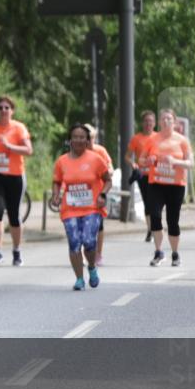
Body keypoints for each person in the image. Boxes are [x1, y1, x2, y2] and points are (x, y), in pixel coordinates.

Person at [51, 124, 112, 291]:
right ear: (70, 140)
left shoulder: (95, 159)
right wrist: (56, 195)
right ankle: (79, 278)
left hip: (91, 208)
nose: (78, 140)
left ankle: (91, 266)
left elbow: (108, 180)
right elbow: (56, 182)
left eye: (82, 137)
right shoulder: (62, 161)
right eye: (75, 137)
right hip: (70, 209)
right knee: (74, 243)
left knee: (89, 241)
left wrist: (102, 194)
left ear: (87, 140)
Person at [0, 96, 33, 266]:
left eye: (6, 108)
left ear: (12, 111)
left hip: (14, 176)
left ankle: (16, 251)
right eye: (0, 107)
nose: (3, 110)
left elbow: (28, 150)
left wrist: (9, 146)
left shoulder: (19, 128)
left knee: (14, 216)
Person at [140, 108, 193, 267]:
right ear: (159, 122)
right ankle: (158, 252)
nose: (166, 121)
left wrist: (175, 162)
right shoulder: (152, 139)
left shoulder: (182, 141)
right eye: (163, 119)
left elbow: (191, 163)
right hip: (156, 183)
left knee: (172, 221)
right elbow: (141, 160)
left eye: (169, 119)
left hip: (175, 185)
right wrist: (148, 161)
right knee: (155, 215)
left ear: (174, 122)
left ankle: (175, 253)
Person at [126, 110, 157, 242]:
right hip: (143, 175)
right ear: (142, 123)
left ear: (154, 123)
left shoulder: (158, 137)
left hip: (157, 175)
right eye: (146, 121)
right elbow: (127, 156)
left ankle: (156, 227)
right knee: (148, 202)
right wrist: (133, 164)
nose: (148, 124)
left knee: (157, 202)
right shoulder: (136, 138)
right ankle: (150, 229)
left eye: (150, 121)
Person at [84, 124, 113, 265]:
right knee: (83, 223)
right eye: (85, 138)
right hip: (82, 192)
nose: (88, 141)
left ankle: (98, 254)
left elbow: (110, 168)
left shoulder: (100, 151)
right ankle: (87, 252)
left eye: (91, 138)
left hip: (99, 191)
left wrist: (107, 172)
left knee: (98, 224)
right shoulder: (77, 152)